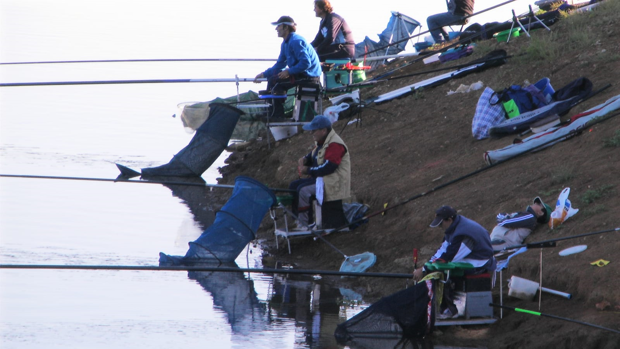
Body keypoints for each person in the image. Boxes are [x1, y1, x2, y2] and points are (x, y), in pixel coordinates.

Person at [413, 205, 495, 319]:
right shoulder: (452, 228)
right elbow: (442, 251)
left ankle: (451, 310)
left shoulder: (464, 232)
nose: (440, 227)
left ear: (449, 220)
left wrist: (424, 269)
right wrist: (426, 265)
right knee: (440, 267)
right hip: (467, 256)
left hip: (479, 261)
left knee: (445, 272)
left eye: (441, 223)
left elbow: (450, 257)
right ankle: (442, 306)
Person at [289, 115, 351, 229]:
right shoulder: (322, 141)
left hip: (333, 181)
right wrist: (305, 159)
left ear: (323, 130)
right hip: (322, 178)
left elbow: (328, 167)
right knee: (293, 186)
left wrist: (308, 170)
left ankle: (305, 224)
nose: (311, 133)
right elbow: (314, 156)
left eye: (314, 130)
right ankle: (298, 220)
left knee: (303, 190)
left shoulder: (335, 145)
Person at [254, 16, 322, 119]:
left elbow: (306, 63)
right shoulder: (285, 43)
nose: (276, 29)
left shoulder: (295, 41)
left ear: (286, 28)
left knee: (276, 85)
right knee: (272, 79)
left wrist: (289, 72)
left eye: (278, 26)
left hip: (309, 76)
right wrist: (264, 74)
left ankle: (277, 116)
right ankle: (270, 111)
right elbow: (280, 64)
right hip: (300, 73)